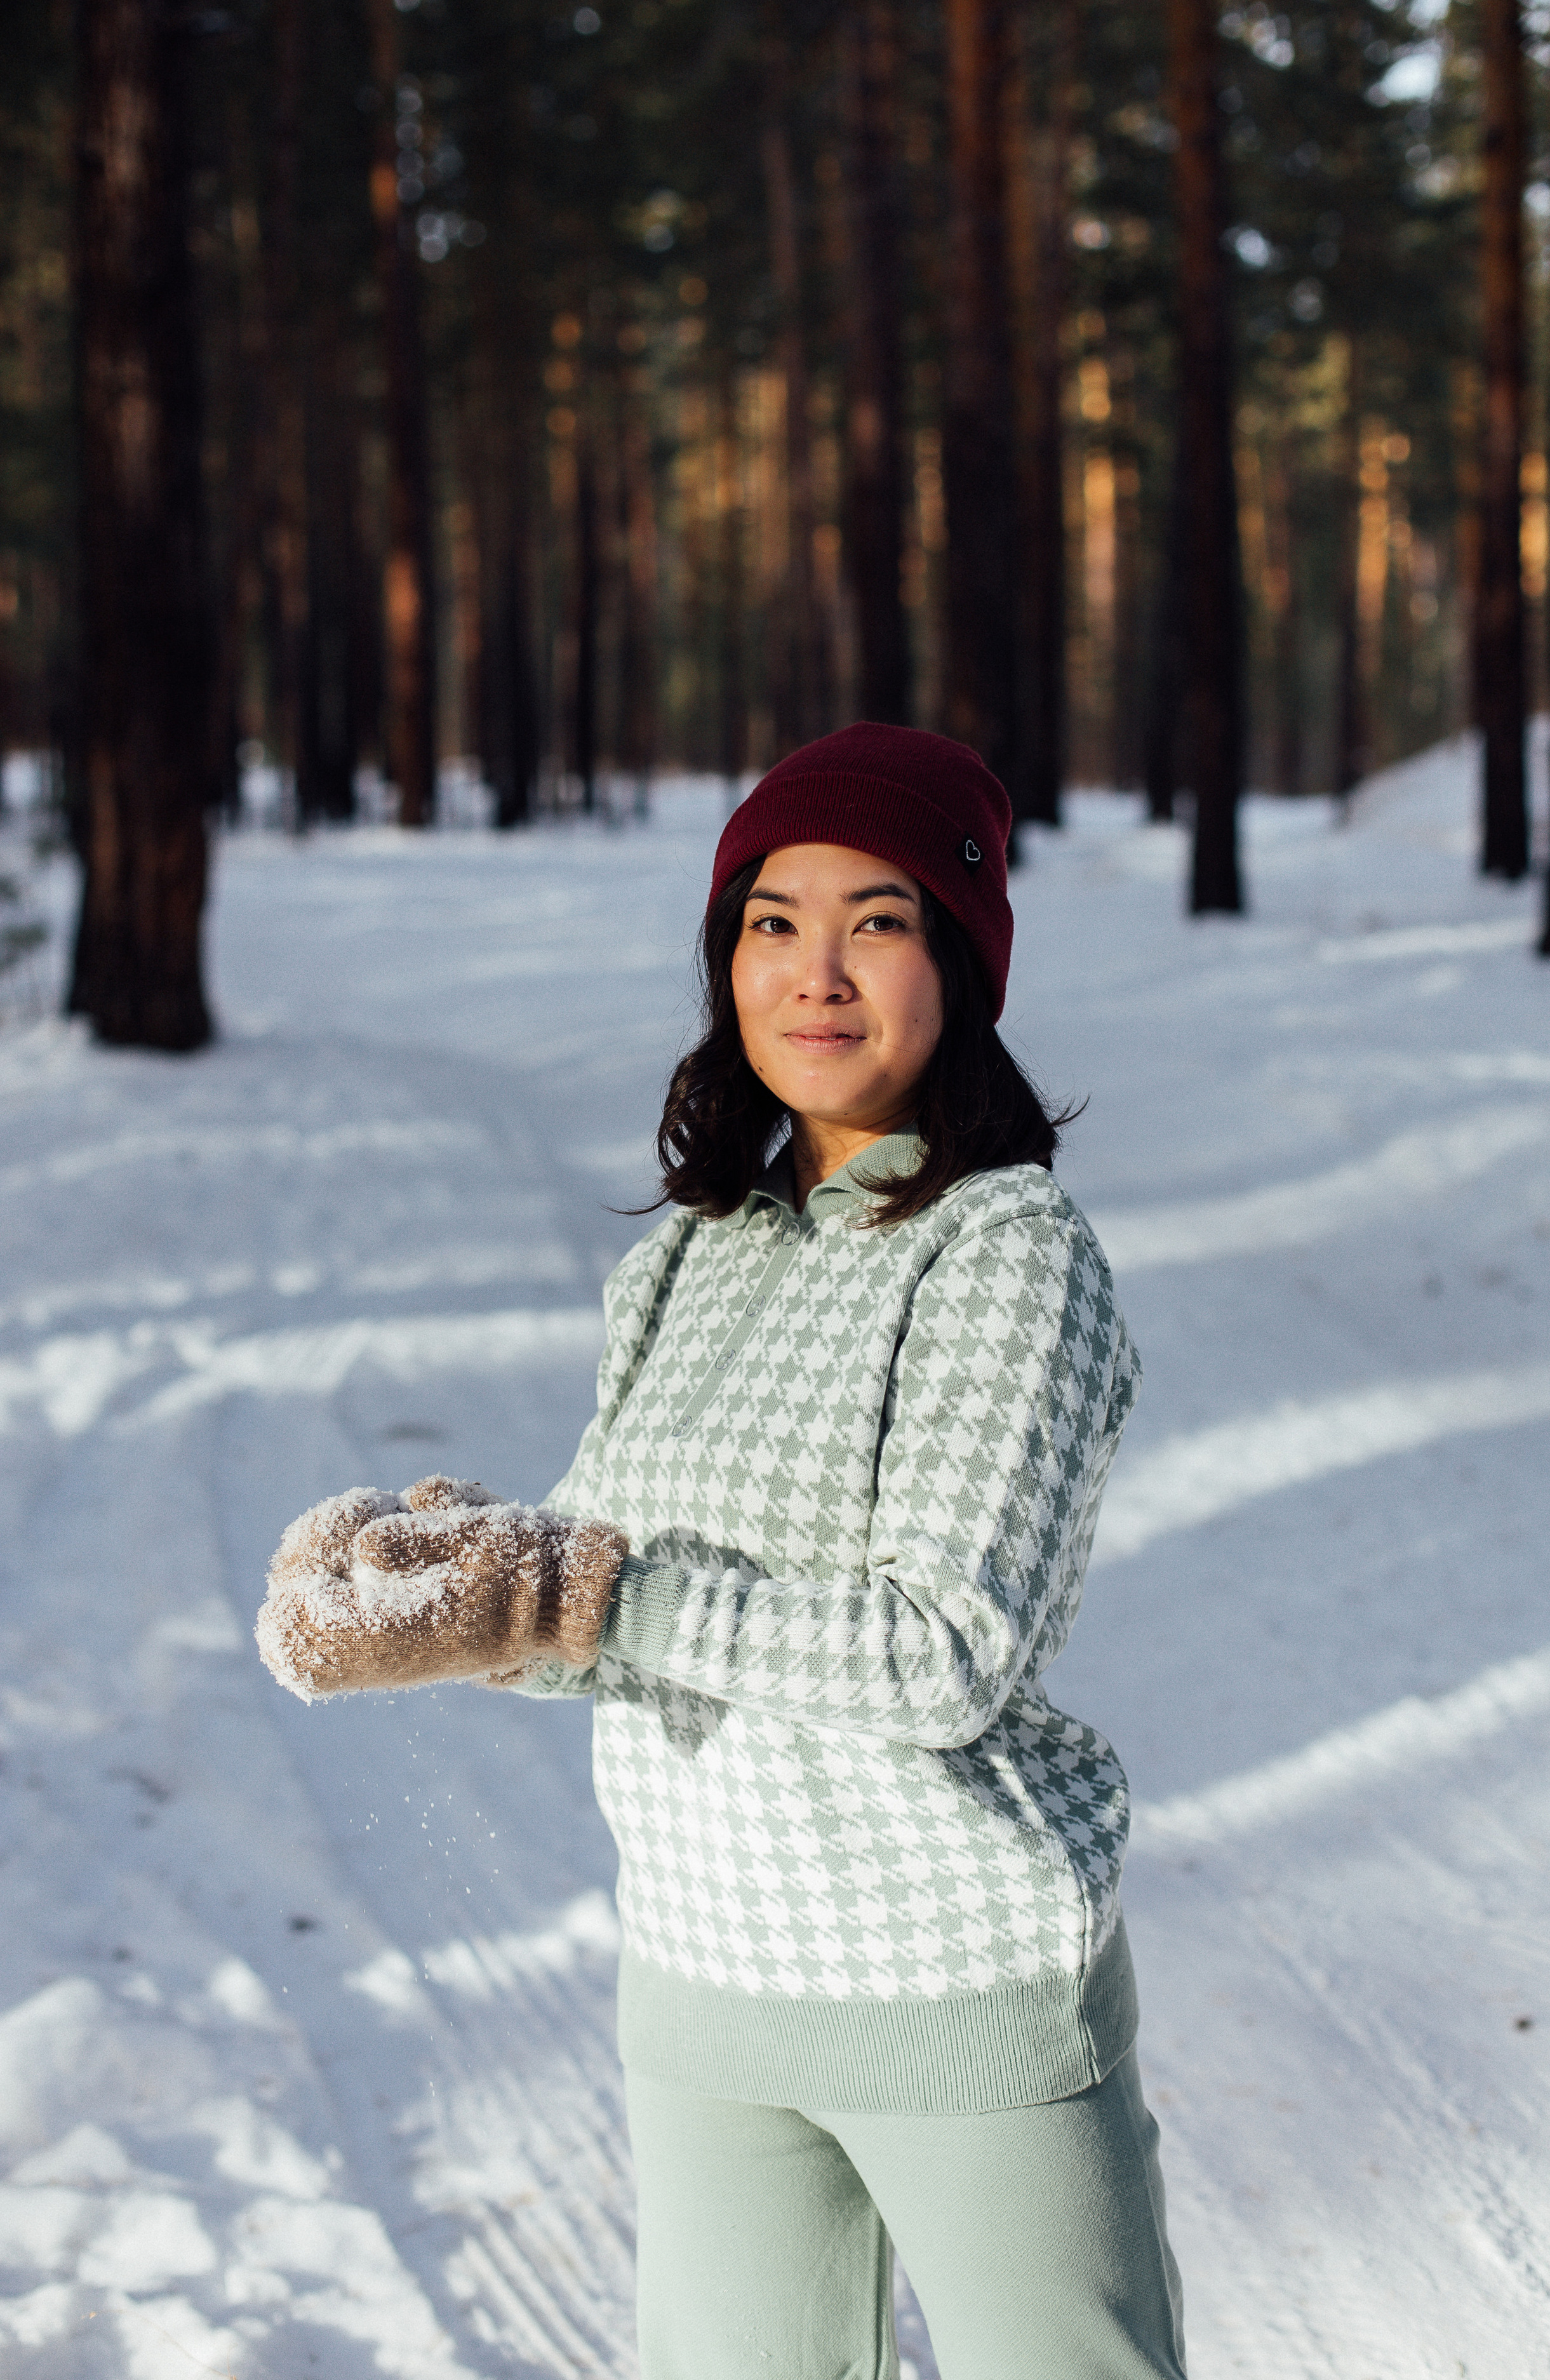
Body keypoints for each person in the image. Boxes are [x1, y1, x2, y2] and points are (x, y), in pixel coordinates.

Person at [259, 723, 1186, 2380]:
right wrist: (453, 1584)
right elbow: (599, 1624)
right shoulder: (692, 1258)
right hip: (702, 1994)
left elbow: (944, 1653)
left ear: (959, 962)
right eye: (772, 922)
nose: (815, 973)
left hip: (955, 1989)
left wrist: (586, 1588)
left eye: (877, 920)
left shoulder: (1006, 1252)